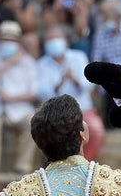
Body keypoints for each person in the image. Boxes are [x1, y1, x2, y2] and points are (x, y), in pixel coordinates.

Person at [0, 20, 39, 174]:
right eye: (4, 40)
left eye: (11, 40)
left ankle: (22, 167)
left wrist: (12, 98)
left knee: (33, 122)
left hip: (19, 108)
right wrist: (9, 62)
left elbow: (34, 94)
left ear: (18, 42)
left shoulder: (28, 62)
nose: (7, 43)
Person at [37, 24, 105, 161]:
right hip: (56, 113)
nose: (53, 42)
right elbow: (41, 93)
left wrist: (74, 80)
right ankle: (62, 165)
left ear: (66, 41)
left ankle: (84, 162)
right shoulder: (41, 64)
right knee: (56, 134)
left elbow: (89, 84)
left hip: (83, 109)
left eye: (56, 38)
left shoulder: (78, 57)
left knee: (96, 130)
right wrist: (59, 83)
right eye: (49, 39)